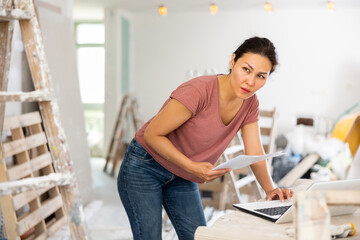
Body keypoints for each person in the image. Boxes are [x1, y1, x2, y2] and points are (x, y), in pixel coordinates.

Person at [117, 36, 294, 240]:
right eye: (246, 69)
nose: (251, 82)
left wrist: (270, 189)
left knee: (200, 237)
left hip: (182, 175)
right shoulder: (199, 90)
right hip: (145, 166)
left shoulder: (250, 103)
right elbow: (152, 135)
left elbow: (254, 151)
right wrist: (192, 167)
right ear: (233, 61)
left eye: (261, 76)